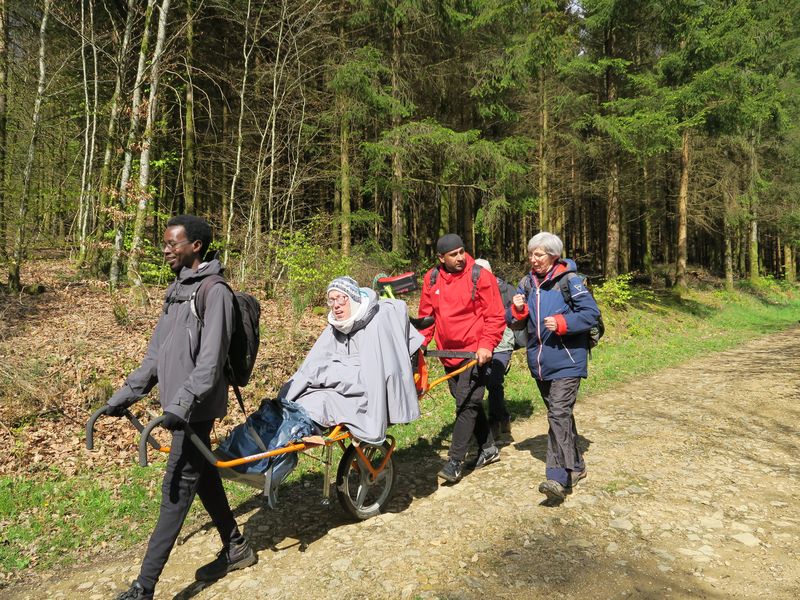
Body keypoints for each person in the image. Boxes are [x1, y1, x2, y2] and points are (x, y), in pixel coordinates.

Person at [104, 215, 257, 600]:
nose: (166, 249)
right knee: (202, 476)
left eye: (173, 243)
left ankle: (144, 587)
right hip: (177, 408)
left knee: (174, 490)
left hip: (197, 408)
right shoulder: (176, 290)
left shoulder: (214, 291)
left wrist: (183, 404)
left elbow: (209, 362)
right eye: (165, 243)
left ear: (196, 246)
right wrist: (124, 396)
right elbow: (156, 356)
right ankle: (237, 547)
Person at [506, 231, 601, 502]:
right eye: (531, 254)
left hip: (568, 360)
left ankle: (557, 477)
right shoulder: (526, 283)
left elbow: (590, 314)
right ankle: (578, 465)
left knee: (558, 414)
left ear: (553, 255)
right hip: (540, 362)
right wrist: (517, 310)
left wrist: (562, 324)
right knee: (560, 414)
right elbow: (514, 322)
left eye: (539, 254)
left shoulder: (570, 280)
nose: (533, 259)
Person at [281, 276, 424, 444]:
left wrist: (330, 374)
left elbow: (373, 377)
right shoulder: (335, 327)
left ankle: (294, 431)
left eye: (341, 298)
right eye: (331, 300)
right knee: (303, 402)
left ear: (354, 299)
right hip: (334, 390)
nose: (336, 305)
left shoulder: (375, 323)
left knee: (321, 402)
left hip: (359, 398)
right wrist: (284, 398)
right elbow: (312, 365)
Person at [418, 234, 506, 484]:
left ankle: (454, 462)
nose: (459, 258)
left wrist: (487, 345)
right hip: (448, 353)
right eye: (453, 254)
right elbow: (427, 316)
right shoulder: (431, 278)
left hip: (475, 353)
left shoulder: (480, 276)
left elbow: (495, 316)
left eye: (461, 252)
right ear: (441, 258)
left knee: (466, 404)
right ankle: (488, 449)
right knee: (466, 400)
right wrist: (421, 343)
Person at [474, 258, 516, 441]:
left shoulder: (505, 289)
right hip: (480, 344)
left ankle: (494, 421)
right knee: (486, 382)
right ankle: (503, 416)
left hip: (502, 344)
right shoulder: (471, 291)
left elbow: (516, 316)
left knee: (493, 381)